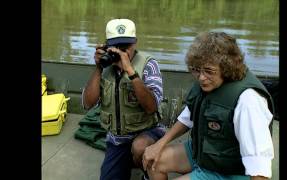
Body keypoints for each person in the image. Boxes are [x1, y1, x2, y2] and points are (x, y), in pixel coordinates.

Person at [142, 32, 275, 180]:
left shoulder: (248, 101)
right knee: (152, 161)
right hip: (204, 152)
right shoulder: (206, 83)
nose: (201, 77)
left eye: (209, 71)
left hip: (230, 171)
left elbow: (259, 167)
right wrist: (159, 144)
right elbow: (187, 117)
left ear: (226, 68)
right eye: (196, 70)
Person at [82, 18, 165, 180]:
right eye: (116, 47)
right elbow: (87, 103)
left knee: (140, 147)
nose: (121, 52)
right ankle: (126, 161)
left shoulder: (148, 64)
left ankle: (145, 171)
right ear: (107, 46)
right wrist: (98, 68)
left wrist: (131, 72)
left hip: (148, 131)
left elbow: (151, 107)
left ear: (135, 43)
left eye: (126, 47)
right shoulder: (106, 68)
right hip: (117, 140)